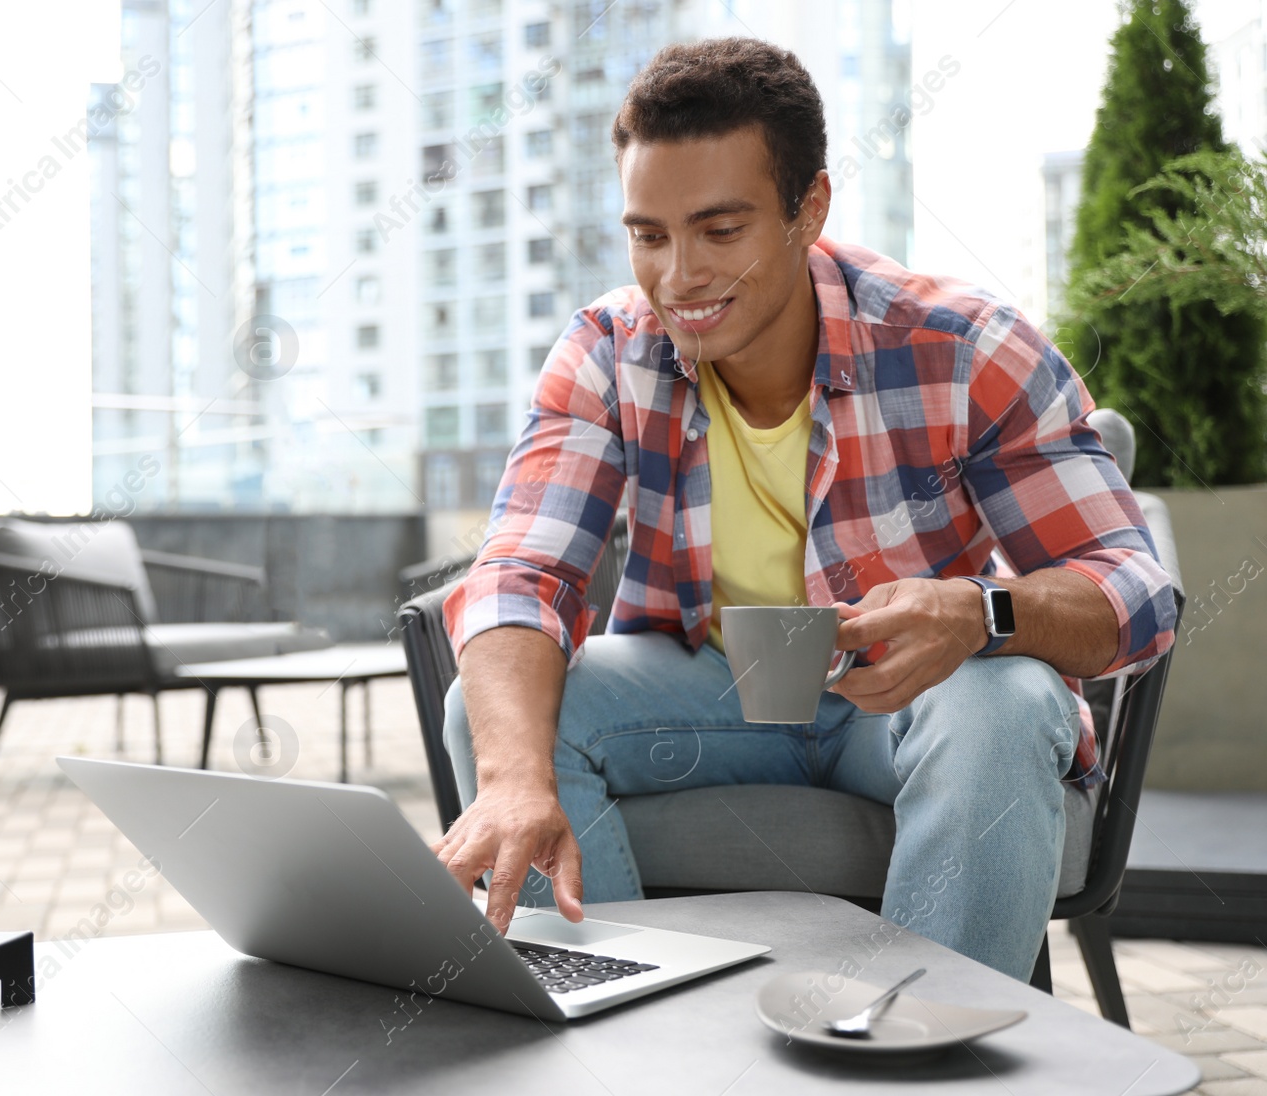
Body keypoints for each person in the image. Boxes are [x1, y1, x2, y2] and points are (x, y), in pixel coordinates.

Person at [430, 36, 1176, 982]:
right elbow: (519, 574)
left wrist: (984, 612)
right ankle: (624, 1046)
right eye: (650, 235)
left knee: (1007, 696)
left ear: (808, 208)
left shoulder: (960, 346)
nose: (680, 277)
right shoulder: (609, 352)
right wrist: (509, 779)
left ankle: (922, 1051)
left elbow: (1136, 589)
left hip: (903, 700)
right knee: (491, 712)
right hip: (722, 687)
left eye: (720, 229)